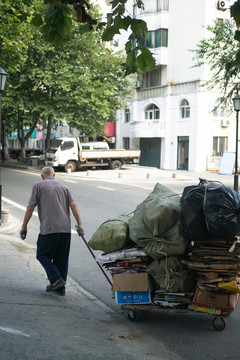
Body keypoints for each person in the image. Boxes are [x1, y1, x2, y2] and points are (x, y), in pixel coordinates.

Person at [20, 166, 84, 296]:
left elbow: (30, 208)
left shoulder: (38, 186)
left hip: (49, 229)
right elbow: (73, 206)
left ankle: (55, 279)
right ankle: (61, 288)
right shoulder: (64, 187)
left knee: (42, 254)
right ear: (54, 175)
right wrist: (80, 225)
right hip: (65, 229)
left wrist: (24, 226)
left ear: (42, 176)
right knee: (61, 259)